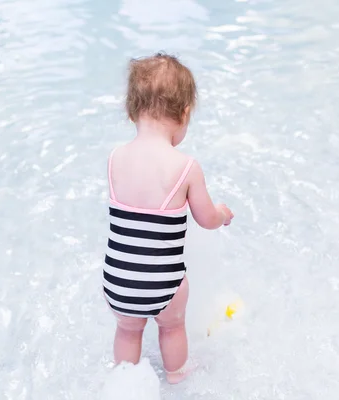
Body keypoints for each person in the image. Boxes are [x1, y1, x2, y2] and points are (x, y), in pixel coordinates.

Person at [102, 52, 234, 384]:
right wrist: (221, 214)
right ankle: (177, 377)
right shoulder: (185, 167)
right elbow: (206, 219)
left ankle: (123, 384)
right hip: (164, 282)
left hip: (118, 279)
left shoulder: (115, 158)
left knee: (128, 331)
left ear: (132, 112)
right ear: (185, 114)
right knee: (172, 327)